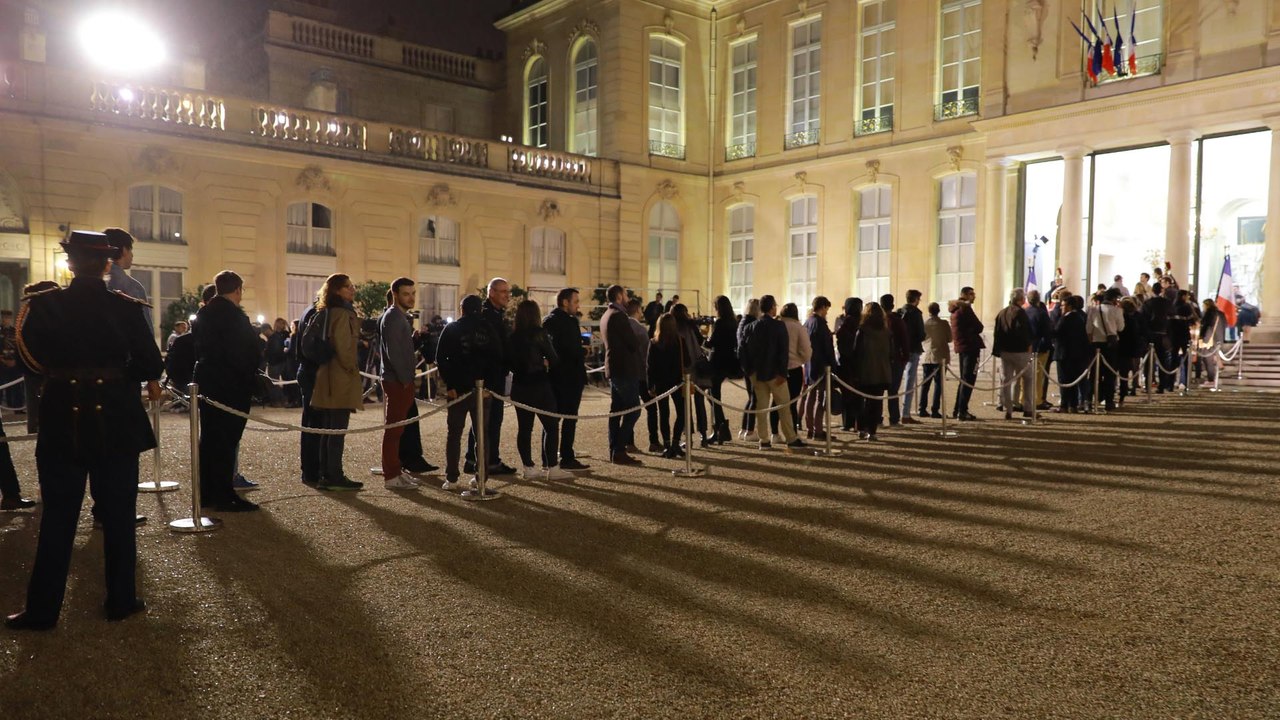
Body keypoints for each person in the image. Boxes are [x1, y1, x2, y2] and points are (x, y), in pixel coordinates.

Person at [5, 231, 162, 630]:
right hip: (115, 419)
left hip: (63, 420)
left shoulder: (44, 306)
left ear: (69, 264)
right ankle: (121, 599)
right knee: (119, 517)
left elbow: (30, 362)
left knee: (58, 518)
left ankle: (43, 610)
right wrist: (116, 375)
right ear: (108, 263)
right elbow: (149, 364)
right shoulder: (126, 307)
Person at [193, 271, 262, 511]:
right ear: (238, 290)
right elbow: (244, 353)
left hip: (208, 381)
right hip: (230, 385)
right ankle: (223, 493)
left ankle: (208, 491)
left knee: (210, 439)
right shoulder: (234, 317)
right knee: (226, 440)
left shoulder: (204, 313)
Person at [435, 295, 500, 490]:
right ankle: (481, 476)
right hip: (483, 389)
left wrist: (450, 385)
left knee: (454, 434)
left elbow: (441, 358)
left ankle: (452, 478)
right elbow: (497, 359)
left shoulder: (453, 328)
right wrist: (490, 386)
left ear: (462, 309)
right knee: (482, 435)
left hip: (458, 389)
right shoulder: (489, 329)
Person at [309, 274, 363, 491]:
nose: (352, 290)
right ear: (337, 291)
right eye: (348, 287)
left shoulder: (325, 312)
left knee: (329, 429)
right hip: (339, 376)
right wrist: (351, 367)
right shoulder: (342, 314)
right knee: (337, 429)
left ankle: (325, 473)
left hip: (327, 374)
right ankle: (334, 474)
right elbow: (344, 346)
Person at [509, 299, 570, 480]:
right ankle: (552, 466)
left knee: (525, 428)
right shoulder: (539, 333)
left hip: (519, 386)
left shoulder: (512, 336)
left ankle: (528, 467)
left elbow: (511, 363)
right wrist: (545, 362)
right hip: (539, 385)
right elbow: (554, 358)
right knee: (551, 426)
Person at [378, 278, 429, 490]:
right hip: (398, 381)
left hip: (399, 379)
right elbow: (394, 353)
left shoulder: (399, 317)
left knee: (398, 430)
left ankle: (396, 470)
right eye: (406, 293)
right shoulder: (393, 317)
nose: (411, 297)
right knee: (394, 430)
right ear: (396, 294)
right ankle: (391, 475)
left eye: (413, 293)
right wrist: (406, 379)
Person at [741, 295, 806, 452]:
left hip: (757, 374)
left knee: (761, 407)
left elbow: (743, 351)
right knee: (784, 406)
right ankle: (790, 438)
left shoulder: (750, 327)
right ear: (772, 308)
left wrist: (749, 371)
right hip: (776, 374)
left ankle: (764, 440)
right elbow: (783, 352)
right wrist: (783, 373)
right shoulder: (778, 326)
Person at [465, 278, 516, 476]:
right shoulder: (485, 316)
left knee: (486, 420)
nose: (507, 295)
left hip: (495, 374)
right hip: (488, 377)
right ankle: (488, 461)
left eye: (507, 291)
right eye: (503, 291)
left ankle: (474, 459)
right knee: (489, 420)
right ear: (491, 293)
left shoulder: (495, 314)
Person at [543, 288, 589, 470]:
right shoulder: (567, 322)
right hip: (568, 377)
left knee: (553, 420)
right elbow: (570, 350)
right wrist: (583, 351)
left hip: (556, 376)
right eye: (575, 301)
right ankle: (566, 457)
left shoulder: (549, 321)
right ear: (565, 302)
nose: (578, 305)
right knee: (567, 419)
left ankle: (549, 458)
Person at [601, 284, 643, 465]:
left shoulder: (606, 315)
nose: (627, 297)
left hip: (615, 368)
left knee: (616, 411)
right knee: (634, 410)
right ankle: (618, 448)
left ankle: (615, 449)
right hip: (624, 369)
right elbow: (633, 343)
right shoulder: (619, 317)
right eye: (625, 294)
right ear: (619, 296)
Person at [850, 302, 892, 441]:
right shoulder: (886, 332)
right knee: (876, 402)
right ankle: (872, 430)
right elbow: (891, 353)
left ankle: (862, 428)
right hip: (881, 371)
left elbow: (857, 352)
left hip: (865, 371)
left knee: (862, 401)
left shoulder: (862, 331)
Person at [671, 303, 710, 447]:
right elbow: (701, 341)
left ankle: (688, 438)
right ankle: (704, 436)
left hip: (684, 369)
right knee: (700, 403)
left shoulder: (674, 328)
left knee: (686, 405)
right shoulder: (692, 326)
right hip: (697, 365)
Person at [770, 302, 809, 442]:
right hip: (793, 367)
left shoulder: (775, 325)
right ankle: (792, 434)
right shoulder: (798, 327)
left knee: (775, 402)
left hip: (775, 368)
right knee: (791, 403)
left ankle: (774, 433)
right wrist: (802, 359)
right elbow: (806, 349)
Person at [993, 288, 1034, 421]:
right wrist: (1028, 344)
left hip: (1005, 351)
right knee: (1028, 378)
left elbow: (997, 332)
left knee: (1006, 380)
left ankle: (1008, 409)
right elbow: (1023, 331)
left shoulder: (1002, 312)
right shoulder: (1020, 313)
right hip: (1019, 351)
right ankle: (1027, 408)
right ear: (1021, 299)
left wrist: (998, 349)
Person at [648, 314, 684, 458]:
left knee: (664, 414)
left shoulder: (654, 343)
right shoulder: (679, 341)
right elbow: (686, 361)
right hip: (677, 381)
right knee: (682, 413)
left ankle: (668, 444)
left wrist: (651, 385)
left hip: (661, 382)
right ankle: (675, 442)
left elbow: (649, 366)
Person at [705, 295, 739, 444]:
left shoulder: (719, 323)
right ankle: (721, 428)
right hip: (728, 361)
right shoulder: (733, 322)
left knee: (713, 396)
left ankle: (721, 429)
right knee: (713, 396)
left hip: (717, 361)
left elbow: (711, 343)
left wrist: (701, 339)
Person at [800, 296, 835, 440]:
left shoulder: (808, 322)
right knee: (821, 399)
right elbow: (827, 347)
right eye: (826, 308)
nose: (827, 311)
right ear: (822, 307)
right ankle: (818, 430)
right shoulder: (820, 324)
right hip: (820, 365)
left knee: (810, 396)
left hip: (809, 364)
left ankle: (810, 428)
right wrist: (832, 364)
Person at [1086, 288, 1126, 412]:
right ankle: (1109, 401)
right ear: (1114, 299)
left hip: (1096, 343)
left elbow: (1088, 329)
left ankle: (1088, 400)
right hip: (1111, 344)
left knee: (1094, 374)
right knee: (1110, 374)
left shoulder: (1093, 310)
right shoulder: (1117, 311)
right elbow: (1121, 327)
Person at [950, 287, 984, 421]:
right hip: (970, 346)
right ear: (965, 295)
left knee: (964, 379)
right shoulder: (965, 308)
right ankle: (962, 410)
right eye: (971, 294)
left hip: (962, 346)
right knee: (969, 379)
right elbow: (979, 326)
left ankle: (958, 409)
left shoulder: (956, 309)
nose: (974, 296)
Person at [1054, 295, 1090, 413]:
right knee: (1073, 380)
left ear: (1069, 306)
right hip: (1076, 354)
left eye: (1063, 305)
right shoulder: (1079, 318)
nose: (1061, 308)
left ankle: (1064, 404)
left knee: (1064, 380)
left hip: (1064, 354)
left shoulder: (1065, 319)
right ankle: (1072, 405)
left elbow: (1056, 333)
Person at [834, 297, 864, 431]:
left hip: (846, 363)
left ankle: (848, 423)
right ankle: (859, 423)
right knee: (859, 395)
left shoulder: (845, 323)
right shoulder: (862, 323)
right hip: (859, 363)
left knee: (848, 394)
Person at [918, 302, 951, 419]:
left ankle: (922, 408)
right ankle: (935, 409)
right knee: (938, 385)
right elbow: (950, 338)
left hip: (927, 356)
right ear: (939, 311)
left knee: (925, 384)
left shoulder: (924, 324)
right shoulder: (944, 324)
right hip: (940, 356)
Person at [897, 290, 925, 425]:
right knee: (909, 381)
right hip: (913, 349)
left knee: (896, 382)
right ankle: (905, 413)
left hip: (900, 349)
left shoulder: (899, 312)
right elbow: (921, 334)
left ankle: (896, 413)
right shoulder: (916, 314)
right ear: (915, 299)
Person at [881, 294, 909, 426]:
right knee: (893, 390)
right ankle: (894, 418)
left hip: (882, 358)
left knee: (879, 390)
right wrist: (905, 357)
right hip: (895, 358)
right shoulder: (897, 321)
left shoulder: (877, 320)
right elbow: (904, 340)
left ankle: (877, 418)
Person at [1023, 289, 1053, 411]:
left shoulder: (1024, 312)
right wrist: (1047, 346)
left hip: (1027, 347)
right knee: (1038, 376)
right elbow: (1047, 332)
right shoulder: (1041, 313)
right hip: (1039, 348)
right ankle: (1037, 400)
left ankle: (1023, 399)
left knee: (1024, 376)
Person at [735, 298, 761, 441]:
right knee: (754, 398)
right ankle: (750, 431)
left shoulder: (742, 322)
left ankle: (745, 429)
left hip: (745, 365)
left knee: (751, 398)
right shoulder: (752, 324)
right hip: (751, 366)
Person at [1198, 298, 1226, 384]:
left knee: (1207, 359)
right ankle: (1215, 375)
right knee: (1212, 357)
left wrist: (1201, 338)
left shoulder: (1209, 314)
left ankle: (1211, 379)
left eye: (1203, 305)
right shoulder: (1221, 314)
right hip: (1218, 339)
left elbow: (1206, 326)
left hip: (1209, 339)